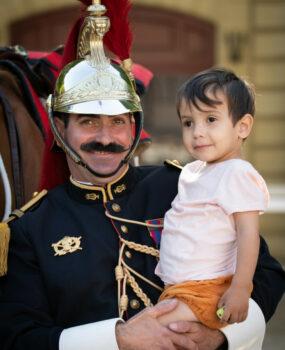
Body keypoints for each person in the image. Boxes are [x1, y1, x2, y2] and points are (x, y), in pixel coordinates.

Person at [0, 1, 284, 350]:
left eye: (118, 122)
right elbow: (17, 337)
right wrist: (117, 339)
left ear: (134, 127)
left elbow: (266, 275)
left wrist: (220, 336)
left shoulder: (183, 184)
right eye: (88, 121)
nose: (106, 137)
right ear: (60, 128)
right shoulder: (28, 230)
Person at [155, 68, 271, 331]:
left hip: (207, 290)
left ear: (242, 126)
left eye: (210, 119)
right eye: (188, 122)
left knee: (149, 332)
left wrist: (241, 288)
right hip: (178, 288)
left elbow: (248, 234)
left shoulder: (237, 173)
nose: (197, 132)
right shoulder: (192, 172)